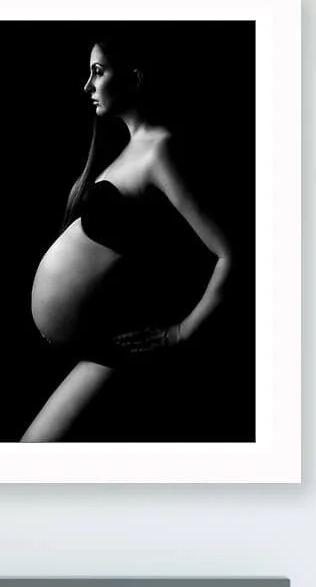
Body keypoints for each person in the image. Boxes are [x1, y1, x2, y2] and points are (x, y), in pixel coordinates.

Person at [21, 30, 236, 443]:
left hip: (116, 350)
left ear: (134, 78)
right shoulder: (125, 150)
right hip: (92, 345)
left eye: (98, 72)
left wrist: (181, 332)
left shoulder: (160, 150)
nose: (87, 86)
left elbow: (230, 253)